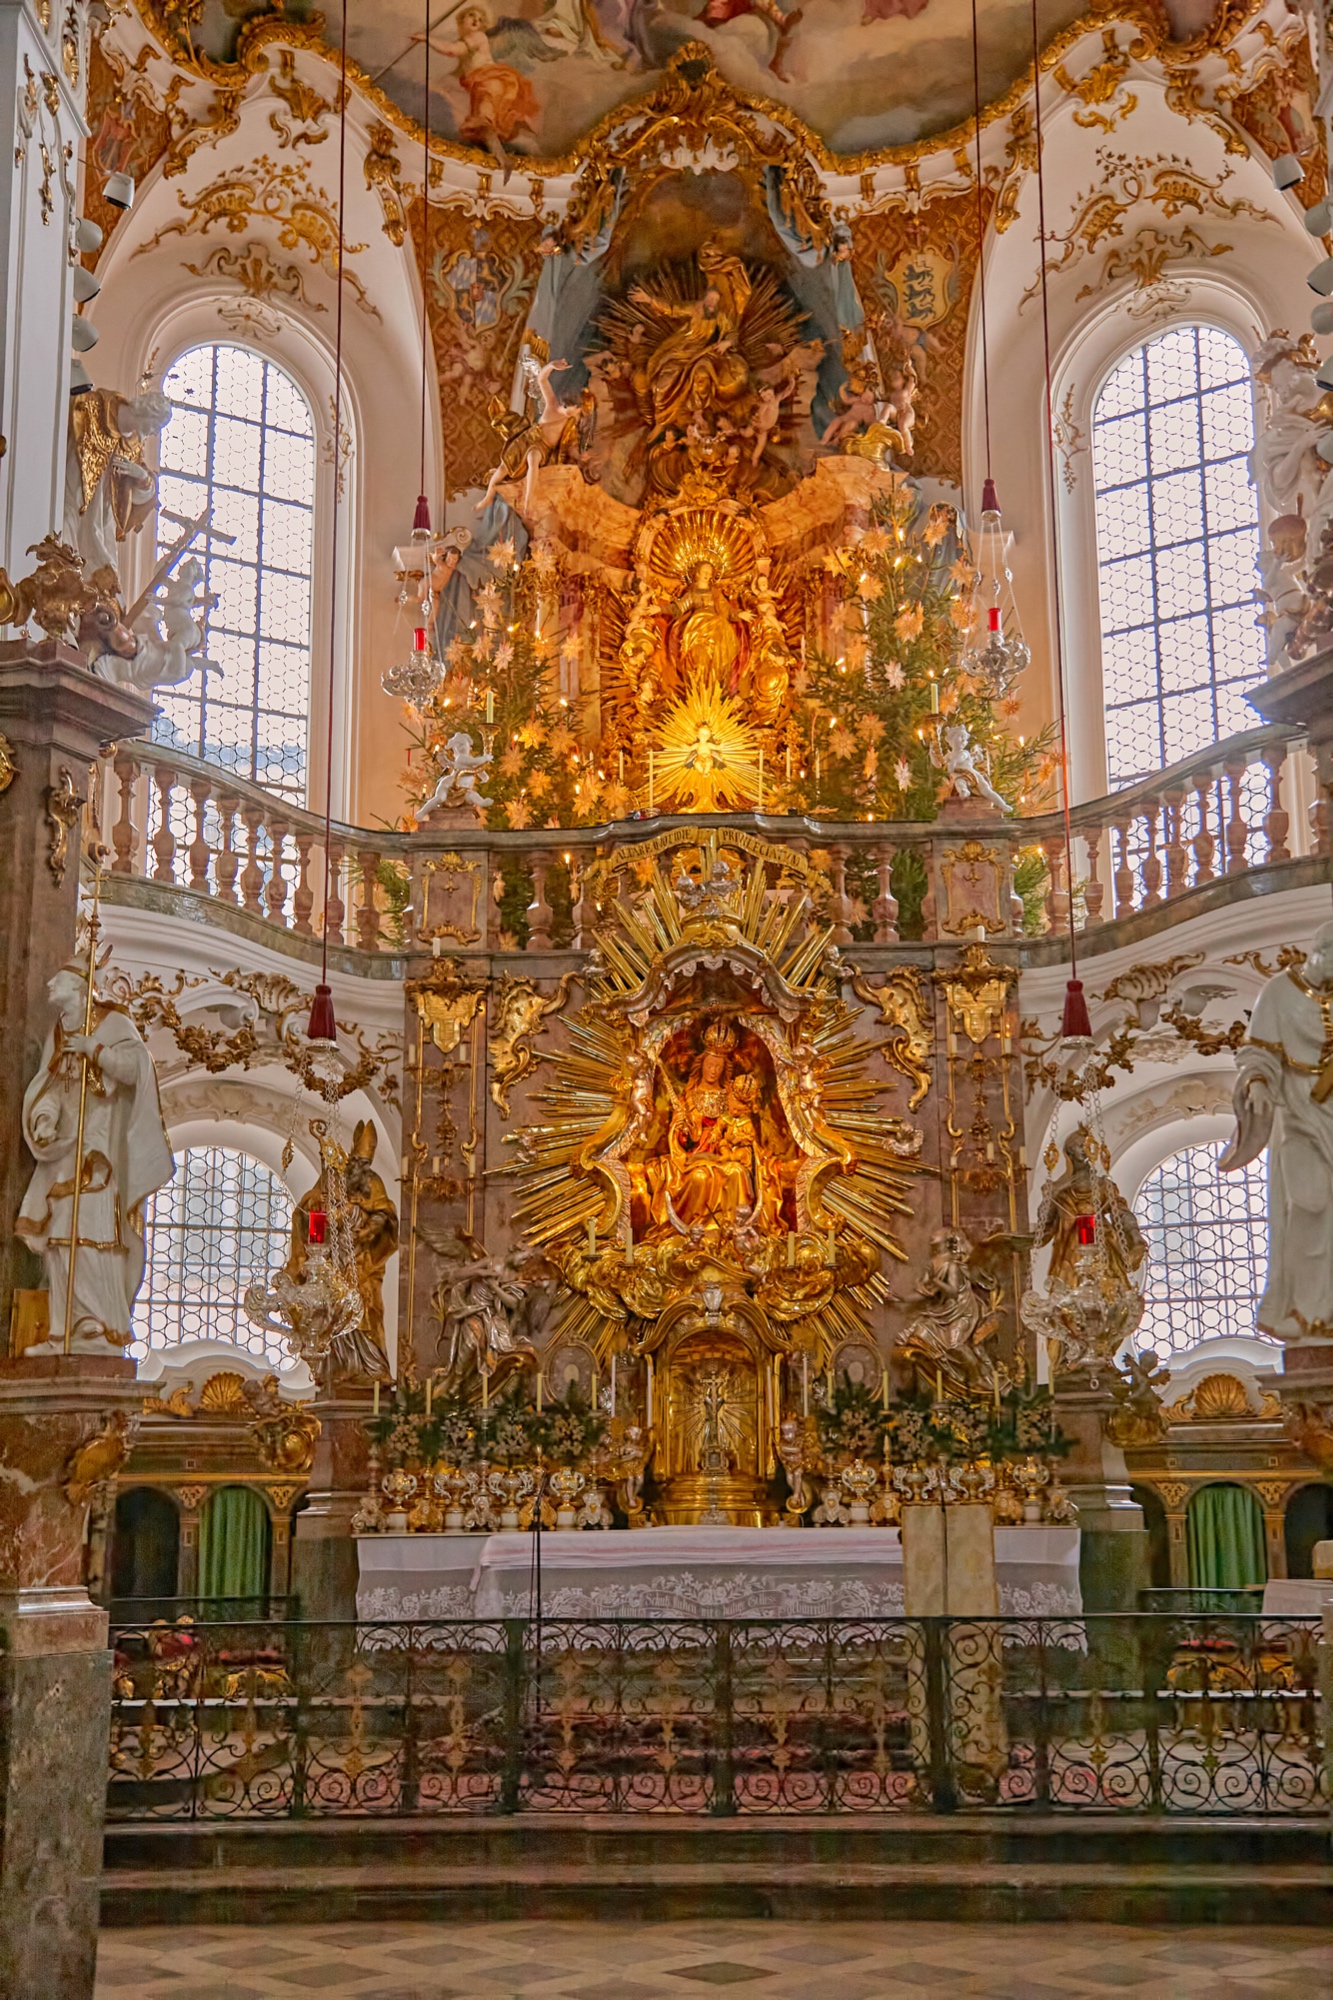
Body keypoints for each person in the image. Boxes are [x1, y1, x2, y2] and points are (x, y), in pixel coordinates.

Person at [18, 956, 174, 1352]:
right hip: (64, 1146)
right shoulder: (59, 1029)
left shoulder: (114, 1022)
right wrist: (43, 1118)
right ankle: (61, 1332)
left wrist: (95, 1048)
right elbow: (53, 1085)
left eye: (60, 980)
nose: (51, 984)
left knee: (90, 1228)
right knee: (57, 1237)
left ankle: (98, 1324)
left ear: (80, 988)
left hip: (100, 1145)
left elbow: (137, 1068)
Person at [1222, 921, 1333, 1339]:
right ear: (1319, 952)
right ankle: (1306, 1311)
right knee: (1310, 1203)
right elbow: (1257, 1053)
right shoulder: (1279, 991)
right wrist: (1258, 1084)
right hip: (1297, 1110)